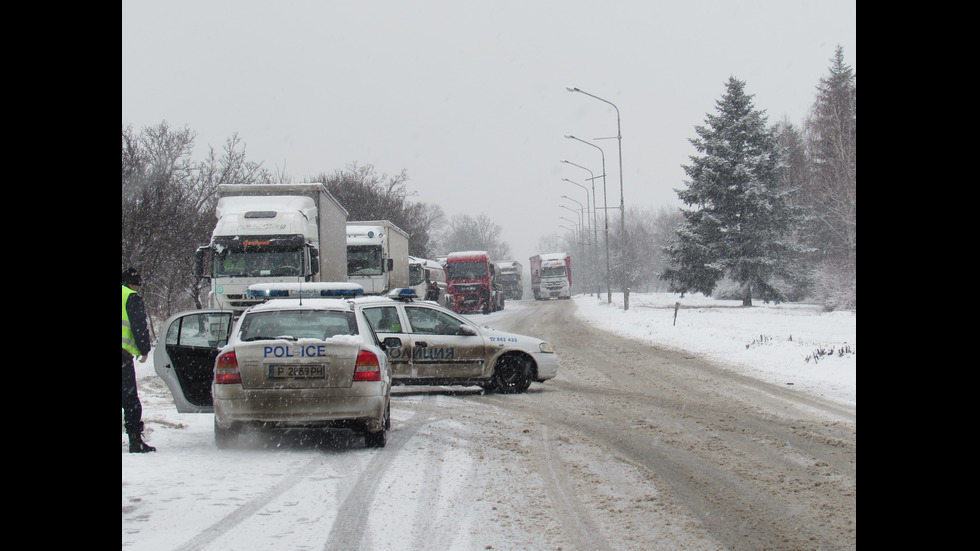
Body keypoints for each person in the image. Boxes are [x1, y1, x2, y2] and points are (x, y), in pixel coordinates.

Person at [122, 268, 156, 453]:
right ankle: (135, 441)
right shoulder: (131, 297)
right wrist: (144, 349)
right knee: (130, 399)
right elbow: (138, 325)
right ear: (131, 283)